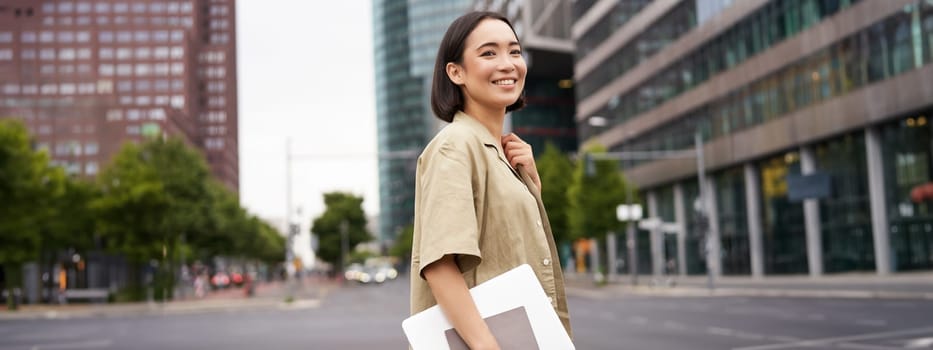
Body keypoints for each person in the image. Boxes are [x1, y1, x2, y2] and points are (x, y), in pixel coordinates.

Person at [409, 11, 571, 350]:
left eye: (514, 51)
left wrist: (531, 190)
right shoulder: (455, 145)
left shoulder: (503, 155)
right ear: (456, 72)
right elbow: (440, 264)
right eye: (488, 53)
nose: (508, 63)